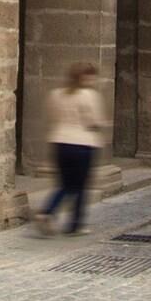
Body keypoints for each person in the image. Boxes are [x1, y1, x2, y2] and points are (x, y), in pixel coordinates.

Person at [35, 62, 109, 236]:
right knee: (81, 186)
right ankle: (75, 225)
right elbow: (95, 121)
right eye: (91, 76)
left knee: (65, 183)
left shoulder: (56, 94)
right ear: (85, 77)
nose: (94, 79)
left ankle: (47, 211)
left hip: (60, 142)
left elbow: (51, 117)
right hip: (82, 144)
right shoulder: (89, 95)